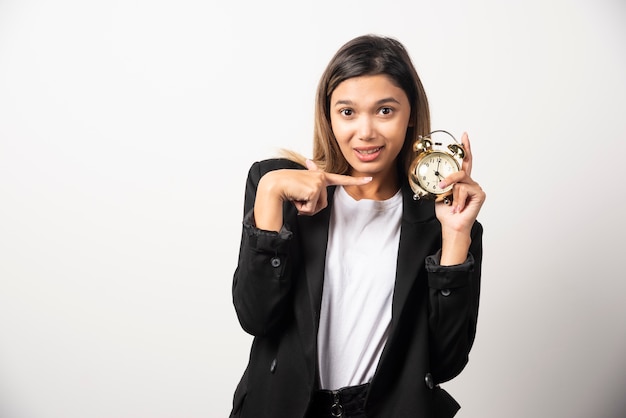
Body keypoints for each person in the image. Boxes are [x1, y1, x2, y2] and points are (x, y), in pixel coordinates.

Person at [229, 34, 486, 418]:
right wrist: (268, 194)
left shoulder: (442, 220)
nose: (365, 132)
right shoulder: (278, 186)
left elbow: (445, 362)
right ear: (328, 116)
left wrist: (455, 236)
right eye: (347, 112)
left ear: (410, 114)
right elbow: (256, 317)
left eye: (385, 111)